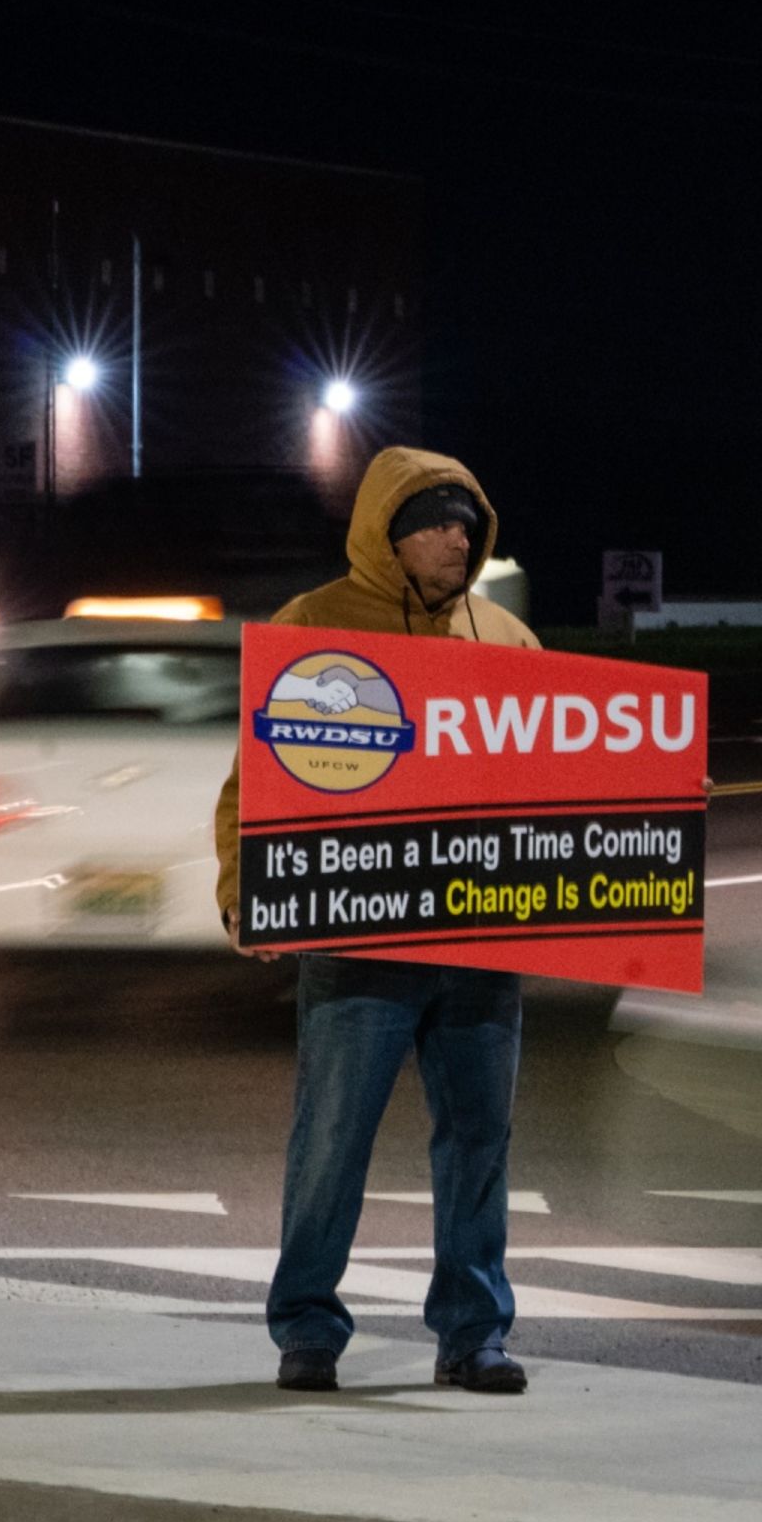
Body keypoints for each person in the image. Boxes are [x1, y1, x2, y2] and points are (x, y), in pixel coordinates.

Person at [214, 445, 543, 1395]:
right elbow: (254, 779)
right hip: (359, 943)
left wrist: (655, 795)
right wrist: (243, 888)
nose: (456, 539)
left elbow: (556, 771)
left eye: (465, 525)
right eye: (433, 524)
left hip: (477, 943)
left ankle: (474, 1334)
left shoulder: (507, 638)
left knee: (479, 1142)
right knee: (332, 1139)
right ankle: (307, 1330)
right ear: (385, 536)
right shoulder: (313, 626)